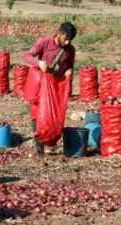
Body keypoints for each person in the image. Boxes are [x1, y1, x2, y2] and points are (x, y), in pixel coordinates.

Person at [23, 22, 76, 154]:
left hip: (57, 86)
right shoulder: (45, 42)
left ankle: (50, 142)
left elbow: (70, 65)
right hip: (41, 84)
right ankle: (38, 148)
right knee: (37, 113)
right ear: (58, 33)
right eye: (65, 38)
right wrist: (39, 63)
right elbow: (27, 56)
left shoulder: (70, 49)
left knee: (54, 114)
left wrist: (69, 71)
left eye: (70, 40)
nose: (67, 42)